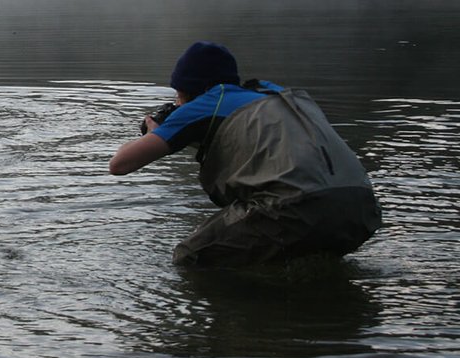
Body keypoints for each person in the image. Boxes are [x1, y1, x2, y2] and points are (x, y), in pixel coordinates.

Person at [109, 41, 382, 267]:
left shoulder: (204, 104)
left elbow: (120, 165)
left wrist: (160, 131)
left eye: (178, 95)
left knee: (190, 258)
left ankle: (248, 321)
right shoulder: (273, 96)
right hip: (360, 209)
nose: (177, 102)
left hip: (297, 208)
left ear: (190, 89)